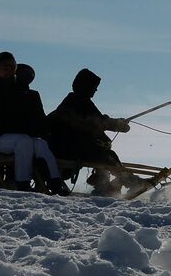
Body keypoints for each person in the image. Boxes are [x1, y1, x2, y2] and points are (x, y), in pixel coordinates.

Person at [0, 51, 70, 195]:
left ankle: (55, 183)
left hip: (22, 137)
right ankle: (23, 184)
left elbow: (38, 120)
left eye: (12, 67)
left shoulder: (25, 93)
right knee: (24, 141)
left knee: (40, 143)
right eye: (5, 67)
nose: (10, 70)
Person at [47, 68, 134, 196]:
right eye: (94, 87)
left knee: (104, 151)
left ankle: (103, 184)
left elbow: (94, 121)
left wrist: (116, 123)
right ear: (86, 86)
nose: (96, 90)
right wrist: (119, 125)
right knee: (107, 156)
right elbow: (98, 122)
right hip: (70, 150)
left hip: (68, 147)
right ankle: (130, 182)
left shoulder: (73, 101)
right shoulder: (80, 102)